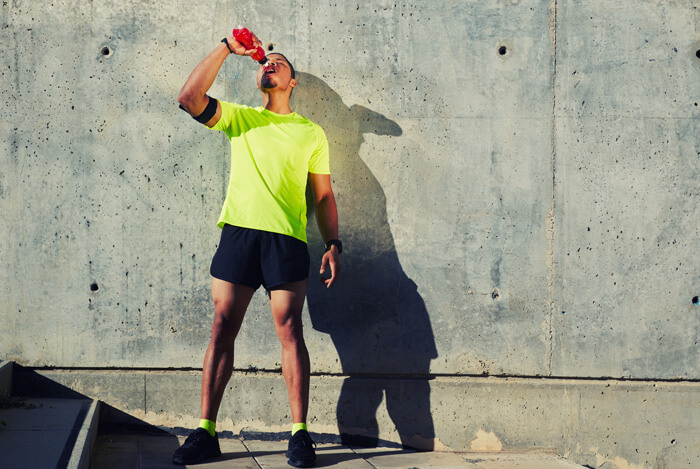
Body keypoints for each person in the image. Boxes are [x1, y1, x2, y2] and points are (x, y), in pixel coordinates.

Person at [173, 29, 341, 468]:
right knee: (222, 325)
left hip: (286, 240)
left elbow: (322, 196)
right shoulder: (241, 118)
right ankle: (206, 432)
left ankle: (299, 434)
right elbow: (189, 97)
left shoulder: (311, 133)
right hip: (240, 235)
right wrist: (228, 49)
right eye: (267, 62)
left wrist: (333, 243)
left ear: (293, 82)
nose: (270, 65)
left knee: (289, 329)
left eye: (279, 64)